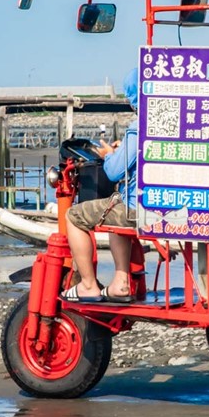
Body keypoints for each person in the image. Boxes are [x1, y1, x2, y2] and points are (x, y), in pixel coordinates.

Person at [61, 69, 140, 304]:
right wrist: (123, 150)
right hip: (169, 205)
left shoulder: (141, 125)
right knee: (114, 211)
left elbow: (114, 171)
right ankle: (120, 282)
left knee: (74, 216)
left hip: (139, 207)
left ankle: (88, 285)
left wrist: (109, 155)